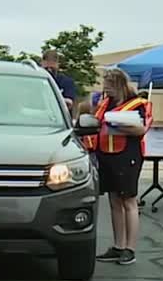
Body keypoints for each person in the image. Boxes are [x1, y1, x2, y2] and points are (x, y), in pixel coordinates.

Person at [91, 68, 150, 265]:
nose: (106, 90)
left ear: (119, 85)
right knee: (114, 201)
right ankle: (118, 246)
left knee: (128, 201)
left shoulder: (137, 103)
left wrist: (117, 125)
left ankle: (130, 249)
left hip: (127, 155)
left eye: (110, 86)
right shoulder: (105, 103)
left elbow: (142, 128)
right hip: (106, 155)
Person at [41, 49, 77, 113]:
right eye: (46, 68)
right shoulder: (35, 82)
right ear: (42, 64)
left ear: (57, 65)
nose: (49, 71)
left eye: (52, 68)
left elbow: (69, 103)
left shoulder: (66, 82)